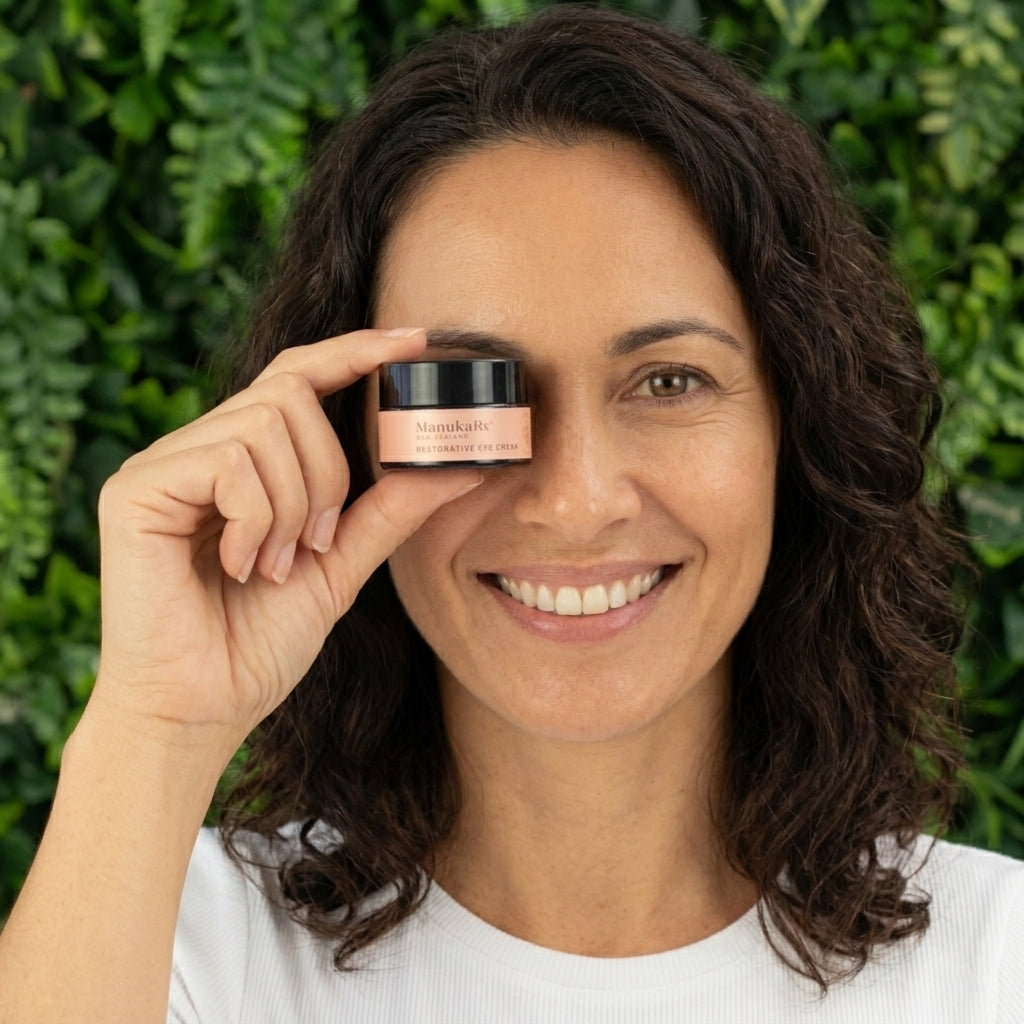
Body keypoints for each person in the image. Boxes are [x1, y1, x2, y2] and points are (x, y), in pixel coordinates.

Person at [1, 6, 1022, 1022]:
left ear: (796, 432)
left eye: (668, 381)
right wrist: (155, 724)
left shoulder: (996, 965)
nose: (575, 499)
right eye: (468, 391)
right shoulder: (165, 950)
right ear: (345, 442)